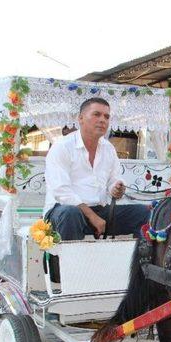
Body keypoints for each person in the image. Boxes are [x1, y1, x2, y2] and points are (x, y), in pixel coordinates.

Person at [43, 97, 149, 240]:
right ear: (80, 118)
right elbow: (61, 192)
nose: (102, 120)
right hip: (62, 211)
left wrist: (116, 188)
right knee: (70, 213)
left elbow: (113, 179)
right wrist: (92, 216)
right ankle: (71, 262)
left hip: (100, 211)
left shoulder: (108, 148)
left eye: (106, 116)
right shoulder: (62, 147)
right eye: (96, 114)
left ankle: (140, 260)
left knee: (143, 213)